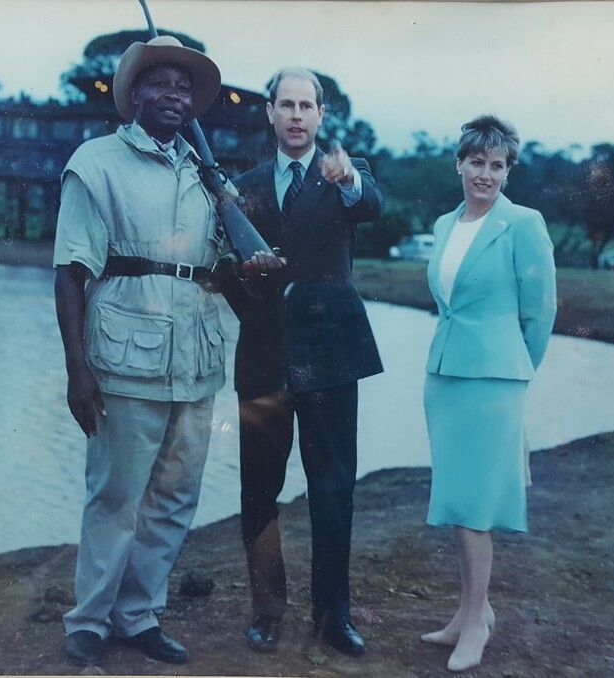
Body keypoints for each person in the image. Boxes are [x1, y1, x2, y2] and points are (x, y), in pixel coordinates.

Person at [53, 35, 276, 668]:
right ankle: (90, 620)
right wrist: (77, 371)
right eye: (159, 84)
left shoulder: (206, 177)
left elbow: (221, 270)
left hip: (197, 359)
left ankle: (139, 615)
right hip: (124, 358)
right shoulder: (95, 163)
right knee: (116, 496)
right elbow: (70, 272)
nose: (173, 94)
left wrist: (253, 267)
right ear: (132, 95)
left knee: (176, 497)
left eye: (184, 87)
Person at [230, 67, 384, 656]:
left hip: (332, 359)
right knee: (258, 489)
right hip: (264, 359)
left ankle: (333, 614)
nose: (296, 115)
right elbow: (224, 272)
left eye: (307, 106)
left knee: (333, 487)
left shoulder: (350, 174)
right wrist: (241, 273)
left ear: (322, 116)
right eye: (286, 104)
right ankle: (266, 609)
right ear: (269, 112)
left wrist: (347, 179)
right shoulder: (239, 187)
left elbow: (371, 203)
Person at [420, 115, 557, 672]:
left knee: (476, 506)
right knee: (458, 501)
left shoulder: (523, 224)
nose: (486, 174)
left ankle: (477, 623)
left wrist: (516, 375)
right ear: (459, 163)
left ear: (507, 171)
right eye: (476, 162)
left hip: (495, 382)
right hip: (445, 376)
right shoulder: (444, 223)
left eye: (497, 165)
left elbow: (541, 311)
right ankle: (467, 612)